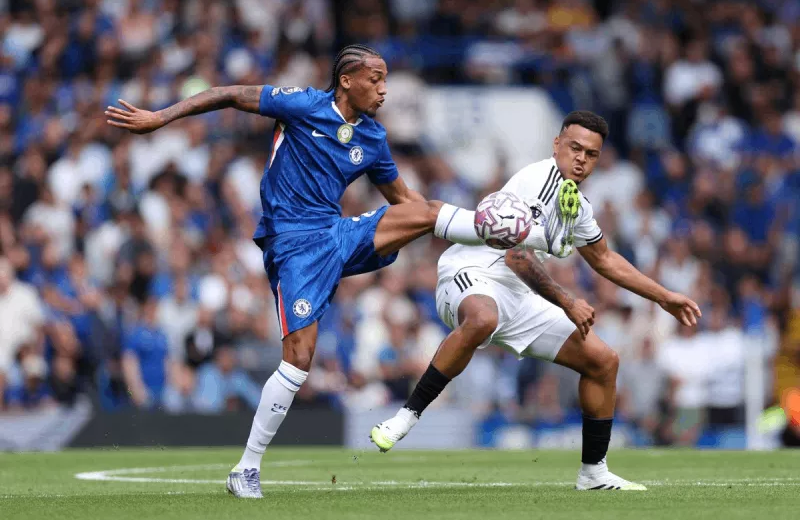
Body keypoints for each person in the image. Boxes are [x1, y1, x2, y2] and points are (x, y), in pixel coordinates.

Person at [105, 44, 577, 498]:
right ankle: (246, 467)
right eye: (376, 80)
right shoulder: (304, 105)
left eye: (386, 80)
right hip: (292, 242)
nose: (384, 90)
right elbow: (230, 93)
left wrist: (467, 232)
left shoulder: (371, 137)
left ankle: (526, 235)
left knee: (426, 209)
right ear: (346, 81)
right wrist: (160, 117)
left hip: (337, 233)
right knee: (299, 357)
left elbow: (407, 204)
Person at [370, 111, 702, 491]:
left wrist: (664, 297)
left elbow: (605, 259)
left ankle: (593, 473)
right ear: (556, 145)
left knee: (603, 362)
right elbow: (515, 255)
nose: (581, 158)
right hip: (472, 273)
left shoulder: (575, 203)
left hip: (519, 292)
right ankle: (407, 415)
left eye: (591, 154)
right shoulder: (535, 181)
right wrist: (567, 301)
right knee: (482, 318)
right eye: (574, 148)